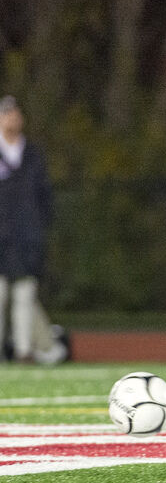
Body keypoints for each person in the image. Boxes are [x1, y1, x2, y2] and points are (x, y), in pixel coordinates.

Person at [0, 95, 63, 364]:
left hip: (26, 239)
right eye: (6, 114)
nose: (11, 118)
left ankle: (23, 352)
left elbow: (44, 198)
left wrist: (37, 229)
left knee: (25, 295)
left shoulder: (33, 154)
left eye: (15, 113)